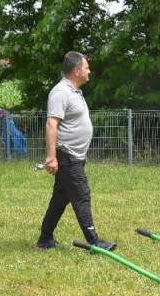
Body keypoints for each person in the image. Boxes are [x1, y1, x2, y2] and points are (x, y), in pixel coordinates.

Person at [37, 52, 114, 251]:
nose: (90, 71)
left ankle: (45, 239)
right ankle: (94, 241)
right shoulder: (61, 92)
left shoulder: (74, 91)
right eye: (87, 67)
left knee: (60, 199)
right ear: (77, 70)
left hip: (75, 155)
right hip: (67, 155)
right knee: (81, 195)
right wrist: (51, 157)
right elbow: (52, 124)